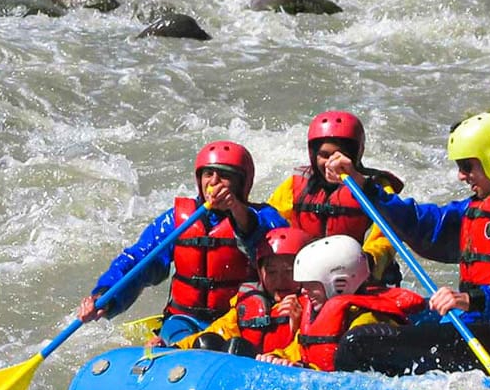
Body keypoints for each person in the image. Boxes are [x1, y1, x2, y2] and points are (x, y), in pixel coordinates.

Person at [321, 111, 490, 376]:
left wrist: (472, 299)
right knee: (385, 320)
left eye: (467, 166)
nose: (461, 176)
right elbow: (423, 225)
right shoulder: (480, 205)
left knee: (357, 345)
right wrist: (363, 184)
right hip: (481, 327)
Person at [77, 140, 289, 344]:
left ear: (242, 183)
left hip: (237, 321)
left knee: (214, 344)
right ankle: (173, 345)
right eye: (208, 174)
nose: (213, 182)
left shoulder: (265, 217)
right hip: (184, 320)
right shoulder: (177, 220)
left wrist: (237, 212)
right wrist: (106, 295)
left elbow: (280, 256)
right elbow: (139, 260)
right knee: (196, 342)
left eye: (224, 175)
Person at [266, 110, 404, 284]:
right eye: (324, 155)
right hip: (309, 277)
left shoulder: (375, 188)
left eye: (340, 155)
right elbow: (271, 223)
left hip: (357, 279)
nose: (331, 162)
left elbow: (387, 235)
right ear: (313, 155)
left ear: (355, 154)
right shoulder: (295, 185)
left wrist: (369, 259)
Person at [258, 235, 425, 372]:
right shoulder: (316, 315)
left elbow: (356, 378)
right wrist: (277, 358)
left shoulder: (367, 324)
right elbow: (296, 350)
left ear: (340, 284)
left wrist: (304, 370)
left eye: (311, 285)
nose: (303, 291)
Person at [176, 226, 313, 356]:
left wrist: (297, 327)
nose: (280, 280)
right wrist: (174, 347)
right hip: (250, 371)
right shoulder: (247, 301)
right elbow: (221, 330)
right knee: (207, 342)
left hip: (283, 370)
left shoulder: (314, 306)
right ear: (260, 273)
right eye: (271, 272)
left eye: (289, 271)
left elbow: (310, 353)